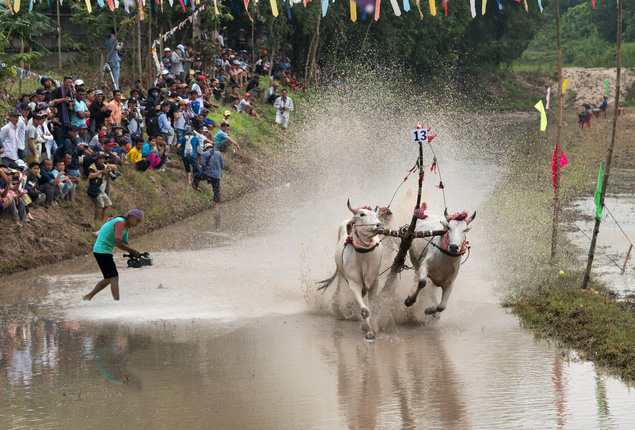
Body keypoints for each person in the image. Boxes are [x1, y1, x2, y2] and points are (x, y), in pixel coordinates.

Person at [82, 209, 144, 301]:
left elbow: (125, 243)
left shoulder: (126, 226)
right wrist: (133, 251)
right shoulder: (119, 222)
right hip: (102, 250)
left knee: (109, 278)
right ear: (131, 216)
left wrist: (134, 254)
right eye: (137, 221)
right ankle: (116, 302)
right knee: (114, 277)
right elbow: (118, 243)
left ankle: (88, 297)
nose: (137, 224)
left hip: (104, 250)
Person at [196, 142, 224, 211]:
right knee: (216, 190)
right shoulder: (219, 153)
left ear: (206, 148)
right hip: (217, 175)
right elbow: (222, 164)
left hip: (208, 174)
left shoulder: (205, 154)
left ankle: (195, 187)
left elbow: (203, 164)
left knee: (196, 176)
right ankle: (217, 208)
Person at [87, 152, 114, 223]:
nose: (102, 160)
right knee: (100, 205)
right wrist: (101, 172)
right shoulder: (92, 167)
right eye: (100, 158)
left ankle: (103, 221)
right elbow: (90, 176)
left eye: (103, 158)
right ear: (96, 159)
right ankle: (95, 221)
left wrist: (108, 174)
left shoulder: (105, 166)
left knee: (109, 204)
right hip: (94, 189)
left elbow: (107, 179)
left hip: (101, 190)